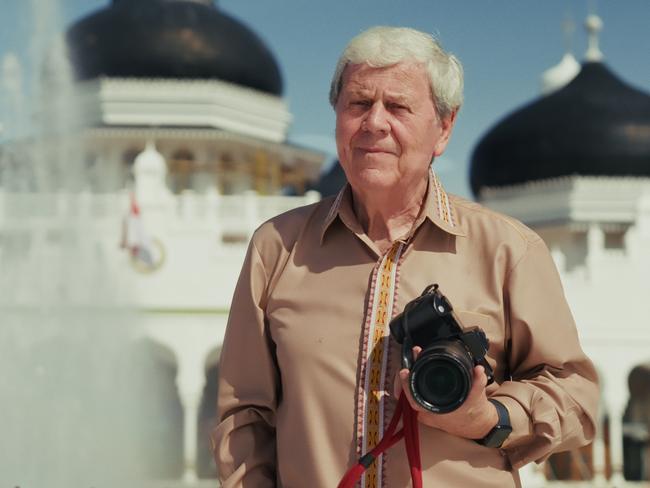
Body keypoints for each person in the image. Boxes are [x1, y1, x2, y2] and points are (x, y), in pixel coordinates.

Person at [212, 26, 599, 487]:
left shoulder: (507, 250)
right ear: (337, 115)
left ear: (444, 127)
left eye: (397, 106)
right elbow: (244, 415)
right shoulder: (277, 247)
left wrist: (488, 416)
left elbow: (576, 398)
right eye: (358, 104)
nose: (374, 123)